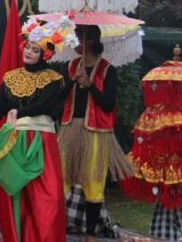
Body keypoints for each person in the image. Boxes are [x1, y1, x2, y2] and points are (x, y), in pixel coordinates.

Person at [0, 16, 77, 242]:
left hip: (41, 142)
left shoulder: (54, 79)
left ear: (45, 55)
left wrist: (18, 112)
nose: (29, 52)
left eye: (35, 49)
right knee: (15, 197)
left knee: (49, 198)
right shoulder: (10, 78)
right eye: (28, 47)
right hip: (14, 142)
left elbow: (44, 105)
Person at [57, 25, 134, 241]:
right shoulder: (70, 67)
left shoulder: (108, 70)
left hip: (96, 132)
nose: (76, 41)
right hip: (69, 130)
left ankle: (90, 233)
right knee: (61, 178)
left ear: (91, 40)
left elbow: (108, 105)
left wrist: (90, 85)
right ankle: (57, 226)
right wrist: (73, 80)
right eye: (76, 36)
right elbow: (59, 98)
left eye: (80, 37)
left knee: (93, 181)